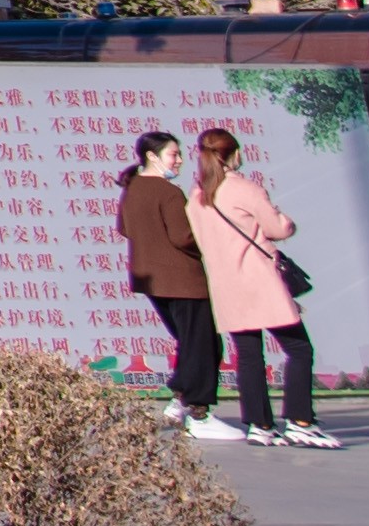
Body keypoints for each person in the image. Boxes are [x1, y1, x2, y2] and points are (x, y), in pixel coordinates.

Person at [190, 124, 337, 448]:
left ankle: (260, 426)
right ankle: (300, 421)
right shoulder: (244, 189)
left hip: (226, 285)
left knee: (249, 356)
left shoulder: (197, 197)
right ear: (233, 154)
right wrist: (286, 222)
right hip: (259, 280)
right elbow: (277, 228)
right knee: (299, 349)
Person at [118, 127, 224, 429]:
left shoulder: (132, 188)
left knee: (191, 342)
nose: (179, 160)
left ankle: (181, 400)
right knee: (203, 343)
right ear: (152, 157)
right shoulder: (168, 192)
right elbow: (183, 236)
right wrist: (211, 239)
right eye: (173, 155)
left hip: (152, 280)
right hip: (183, 280)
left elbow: (124, 228)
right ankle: (198, 411)